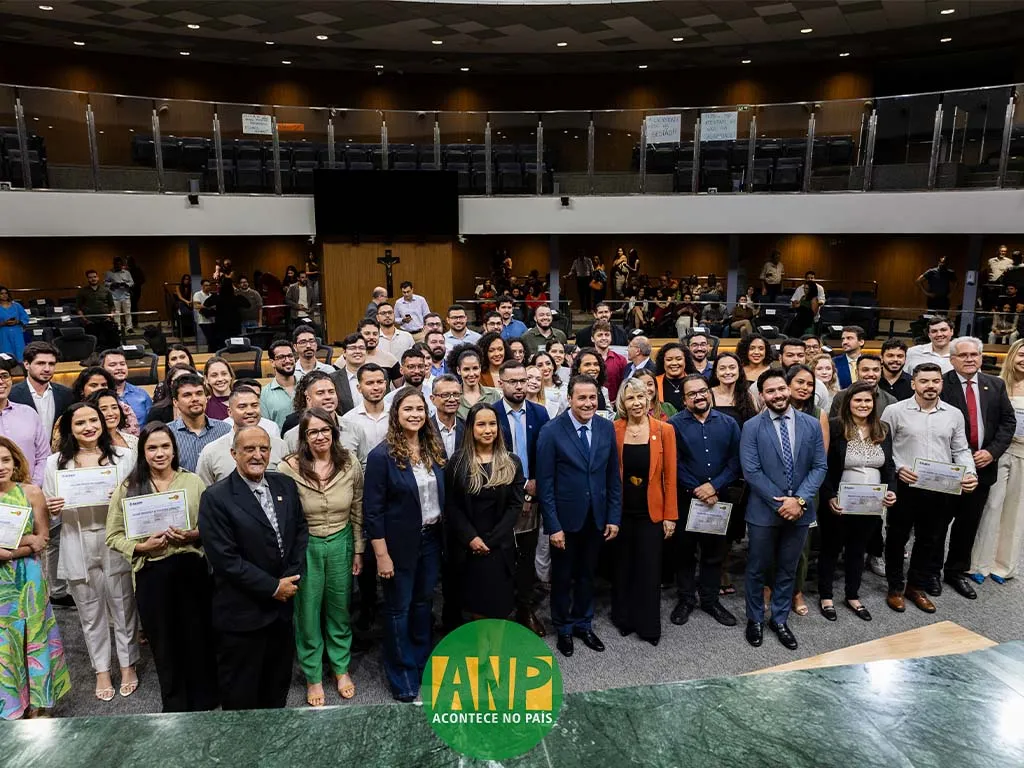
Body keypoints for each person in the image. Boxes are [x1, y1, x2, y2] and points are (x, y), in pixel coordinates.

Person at [104, 423, 217, 712]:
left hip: (191, 569)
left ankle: (205, 699)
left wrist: (194, 534)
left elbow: (212, 526)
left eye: (165, 447)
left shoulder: (192, 482)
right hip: (152, 572)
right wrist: (141, 547)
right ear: (142, 452)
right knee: (164, 641)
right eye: (152, 448)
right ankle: (175, 702)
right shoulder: (129, 487)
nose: (159, 453)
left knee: (198, 636)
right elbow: (113, 536)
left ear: (174, 449)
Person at [199, 426, 308, 710]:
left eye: (263, 449)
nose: (257, 455)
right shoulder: (216, 497)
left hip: (282, 611)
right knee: (242, 693)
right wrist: (273, 587)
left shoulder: (284, 485)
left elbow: (299, 531)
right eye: (249, 449)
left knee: (277, 685)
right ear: (234, 453)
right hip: (242, 614)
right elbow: (225, 559)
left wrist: (290, 580)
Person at [43, 402, 139, 701]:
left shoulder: (124, 457)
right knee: (89, 611)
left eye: (93, 420)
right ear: (69, 429)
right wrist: (53, 508)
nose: (89, 427)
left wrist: (121, 497)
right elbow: (50, 510)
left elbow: (137, 500)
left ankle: (127, 665)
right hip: (76, 539)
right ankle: (100, 669)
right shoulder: (55, 463)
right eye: (80, 422)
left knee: (124, 606)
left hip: (113, 539)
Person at [363, 388, 446, 701]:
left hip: (431, 539)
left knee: (423, 604)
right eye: (408, 409)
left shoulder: (433, 450)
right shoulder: (381, 456)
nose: (415, 414)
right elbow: (373, 512)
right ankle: (401, 672)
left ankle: (423, 663)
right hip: (397, 546)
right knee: (398, 609)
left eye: (420, 409)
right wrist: (381, 556)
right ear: (396, 415)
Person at [279, 407, 363, 707]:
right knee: (308, 614)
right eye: (312, 431)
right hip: (306, 546)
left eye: (325, 430)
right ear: (303, 436)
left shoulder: (349, 462)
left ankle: (341, 670)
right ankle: (313, 676)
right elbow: (283, 515)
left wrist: (358, 548)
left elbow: (357, 506)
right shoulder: (288, 467)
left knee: (340, 609)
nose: (319, 436)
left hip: (340, 541)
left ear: (334, 431)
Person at [740, 370, 827, 651]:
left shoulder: (811, 424)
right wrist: (781, 504)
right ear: (762, 396)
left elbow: (819, 467)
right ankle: (755, 619)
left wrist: (799, 501)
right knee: (756, 569)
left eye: (781, 389)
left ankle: (779, 619)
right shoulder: (752, 426)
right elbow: (751, 471)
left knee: (789, 569)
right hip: (764, 513)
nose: (777, 395)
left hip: (800, 512)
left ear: (788, 390)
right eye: (770, 391)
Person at [536, 374, 622, 658]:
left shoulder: (606, 428)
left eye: (592, 398)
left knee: (587, 575)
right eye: (581, 398)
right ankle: (563, 627)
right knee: (562, 577)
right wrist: (554, 526)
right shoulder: (551, 431)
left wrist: (613, 516)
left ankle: (583, 623)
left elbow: (612, 477)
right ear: (570, 398)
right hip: (565, 520)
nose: (587, 403)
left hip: (596, 517)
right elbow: (545, 485)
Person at [881, 363, 977, 614]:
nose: (930, 386)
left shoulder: (953, 414)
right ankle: (895, 586)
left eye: (935, 381)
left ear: (941, 384)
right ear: (914, 383)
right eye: (924, 381)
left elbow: (960, 449)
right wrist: (900, 467)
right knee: (897, 537)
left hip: (941, 488)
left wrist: (969, 473)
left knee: (931, 539)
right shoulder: (895, 411)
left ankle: (916, 586)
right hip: (906, 485)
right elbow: (883, 447)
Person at [936, 337, 1016, 599]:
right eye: (963, 355)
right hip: (947, 468)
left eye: (974, 355)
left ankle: (955, 571)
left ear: (981, 358)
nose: (970, 359)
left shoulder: (995, 384)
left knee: (968, 524)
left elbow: (1007, 422)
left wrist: (992, 453)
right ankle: (930, 571)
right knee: (937, 523)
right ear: (952, 359)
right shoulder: (941, 384)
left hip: (983, 467)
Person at [0, 437, 70, 720]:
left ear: (15, 461)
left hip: (27, 579)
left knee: (34, 637)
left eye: (5, 460)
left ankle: (38, 704)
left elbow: (42, 540)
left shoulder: (31, 492)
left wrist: (10, 552)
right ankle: (11, 704)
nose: (0, 467)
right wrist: (24, 542)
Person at [818, 382, 897, 623]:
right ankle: (826, 596)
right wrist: (830, 495)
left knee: (858, 549)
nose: (863, 405)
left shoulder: (882, 428)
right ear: (848, 403)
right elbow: (825, 466)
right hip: (839, 501)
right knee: (831, 549)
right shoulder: (835, 427)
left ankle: (852, 595)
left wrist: (892, 490)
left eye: (867, 401)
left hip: (871, 503)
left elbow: (889, 466)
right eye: (858, 400)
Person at [668, 374, 738, 629]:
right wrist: (699, 489)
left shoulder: (729, 423)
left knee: (713, 554)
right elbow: (674, 463)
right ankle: (686, 599)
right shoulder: (674, 425)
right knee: (684, 553)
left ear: (709, 392)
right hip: (687, 500)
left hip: (719, 499)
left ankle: (710, 600)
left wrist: (714, 486)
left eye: (702, 391)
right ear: (684, 399)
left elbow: (735, 461)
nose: (698, 396)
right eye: (692, 394)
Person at [445, 402, 525, 623]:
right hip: (469, 547)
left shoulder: (512, 462)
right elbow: (452, 506)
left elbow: (515, 506)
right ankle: (480, 654)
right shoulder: (458, 462)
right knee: (476, 607)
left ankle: (495, 653)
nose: (488, 430)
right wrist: (471, 538)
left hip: (499, 547)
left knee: (499, 607)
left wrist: (491, 540)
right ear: (471, 428)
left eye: (492, 424)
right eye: (481, 424)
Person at [493, 360, 550, 636]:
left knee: (526, 556)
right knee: (502, 556)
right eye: (512, 381)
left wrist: (537, 480)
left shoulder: (540, 413)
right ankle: (502, 611)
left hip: (533, 496)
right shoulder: (489, 414)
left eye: (522, 380)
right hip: (500, 498)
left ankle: (526, 610)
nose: (519, 386)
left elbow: (547, 454)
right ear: (500, 383)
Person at [972, 338, 1024, 582]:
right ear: (1012, 356)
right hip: (1000, 450)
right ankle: (979, 563)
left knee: (1016, 510)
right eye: (1021, 354)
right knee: (991, 506)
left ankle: (1003, 566)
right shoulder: (997, 384)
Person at [197, 385, 289, 485]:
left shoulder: (280, 446)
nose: (250, 411)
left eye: (254, 405)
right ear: (230, 412)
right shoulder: (211, 452)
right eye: (242, 407)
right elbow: (205, 493)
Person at [167, 373, 231, 472]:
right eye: (187, 395)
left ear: (206, 398)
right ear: (175, 402)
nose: (195, 399)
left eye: (199, 393)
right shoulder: (167, 434)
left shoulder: (225, 430)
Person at [0, 356, 48, 485]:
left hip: (31, 494)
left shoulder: (28, 413)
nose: (1, 381)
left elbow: (43, 457)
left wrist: (32, 488)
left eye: (4, 376)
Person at [10, 341, 74, 439]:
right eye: (41, 363)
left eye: (51, 364)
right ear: (27, 365)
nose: (47, 369)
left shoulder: (66, 394)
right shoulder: (11, 395)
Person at [340, 363, 391, 469]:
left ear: (385, 384)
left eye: (380, 382)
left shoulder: (397, 414)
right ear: (359, 388)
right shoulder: (348, 420)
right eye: (370, 383)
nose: (376, 387)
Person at [828, 354, 898, 419]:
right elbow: (833, 428)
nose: (871, 374)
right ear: (856, 372)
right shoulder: (841, 397)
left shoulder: (890, 401)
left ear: (881, 372)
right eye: (865, 370)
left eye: (875, 370)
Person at [101, 348, 153, 425]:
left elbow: (152, 422)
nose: (119, 368)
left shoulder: (141, 394)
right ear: (102, 369)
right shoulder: (99, 396)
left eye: (122, 364)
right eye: (113, 365)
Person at [75, 269, 119, 350]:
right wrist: (85, 320)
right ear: (87, 279)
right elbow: (78, 308)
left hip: (106, 321)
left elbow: (112, 306)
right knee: (94, 346)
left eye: (94, 277)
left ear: (98, 278)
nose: (93, 279)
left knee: (112, 344)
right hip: (91, 323)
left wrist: (110, 317)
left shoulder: (106, 290)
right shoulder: (82, 292)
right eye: (90, 277)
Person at [260, 339, 298, 430]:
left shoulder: (307, 386)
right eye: (281, 357)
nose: (287, 360)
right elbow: (266, 427)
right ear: (272, 362)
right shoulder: (264, 394)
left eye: (290, 356)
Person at [565, 348, 613, 413]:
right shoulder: (566, 390)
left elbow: (609, 414)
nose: (593, 368)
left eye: (596, 364)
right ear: (578, 368)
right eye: (587, 364)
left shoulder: (603, 390)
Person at [430, 375, 464, 460]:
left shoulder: (467, 427)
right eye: (445, 395)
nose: (452, 399)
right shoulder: (424, 429)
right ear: (432, 399)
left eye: (456, 394)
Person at [592, 320, 628, 401]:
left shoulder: (621, 360)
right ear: (592, 339)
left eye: (607, 335)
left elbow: (624, 385)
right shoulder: (586, 358)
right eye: (600, 335)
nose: (604, 338)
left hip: (615, 405)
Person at [654, 342, 693, 414]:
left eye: (679, 359)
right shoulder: (654, 382)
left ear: (685, 361)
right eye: (669, 360)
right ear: (663, 362)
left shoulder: (695, 381)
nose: (674, 363)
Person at [787, 271, 826, 336]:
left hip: (808, 323)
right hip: (799, 321)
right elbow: (795, 304)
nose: (805, 290)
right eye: (804, 288)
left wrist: (801, 307)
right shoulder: (802, 297)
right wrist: (796, 305)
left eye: (807, 289)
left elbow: (812, 314)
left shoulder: (814, 299)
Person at [104, 257, 135, 332]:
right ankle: (118, 328)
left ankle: (129, 327)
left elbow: (132, 282)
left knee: (128, 312)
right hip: (114, 296)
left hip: (125, 295)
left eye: (119, 264)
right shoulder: (109, 273)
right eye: (116, 264)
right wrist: (112, 284)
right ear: (114, 264)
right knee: (116, 313)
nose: (118, 266)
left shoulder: (127, 273)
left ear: (122, 264)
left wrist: (126, 284)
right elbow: (105, 283)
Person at [0, 287, 29, 361]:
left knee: (20, 352)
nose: (4, 295)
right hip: (3, 333)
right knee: (6, 354)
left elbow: (25, 318)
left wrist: (17, 321)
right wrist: (3, 323)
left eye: (6, 293)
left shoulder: (16, 306)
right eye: (1, 294)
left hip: (17, 332)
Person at [203, 356, 234, 421]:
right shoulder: (205, 407)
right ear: (206, 379)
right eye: (214, 375)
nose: (220, 379)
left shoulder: (245, 400)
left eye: (224, 374)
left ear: (230, 375)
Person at [192, 278, 215, 351]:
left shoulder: (212, 295)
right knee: (210, 338)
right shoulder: (197, 294)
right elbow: (196, 306)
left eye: (209, 285)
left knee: (212, 339)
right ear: (202, 286)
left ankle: (211, 351)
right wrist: (208, 306)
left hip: (212, 320)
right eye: (206, 285)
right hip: (203, 320)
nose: (208, 287)